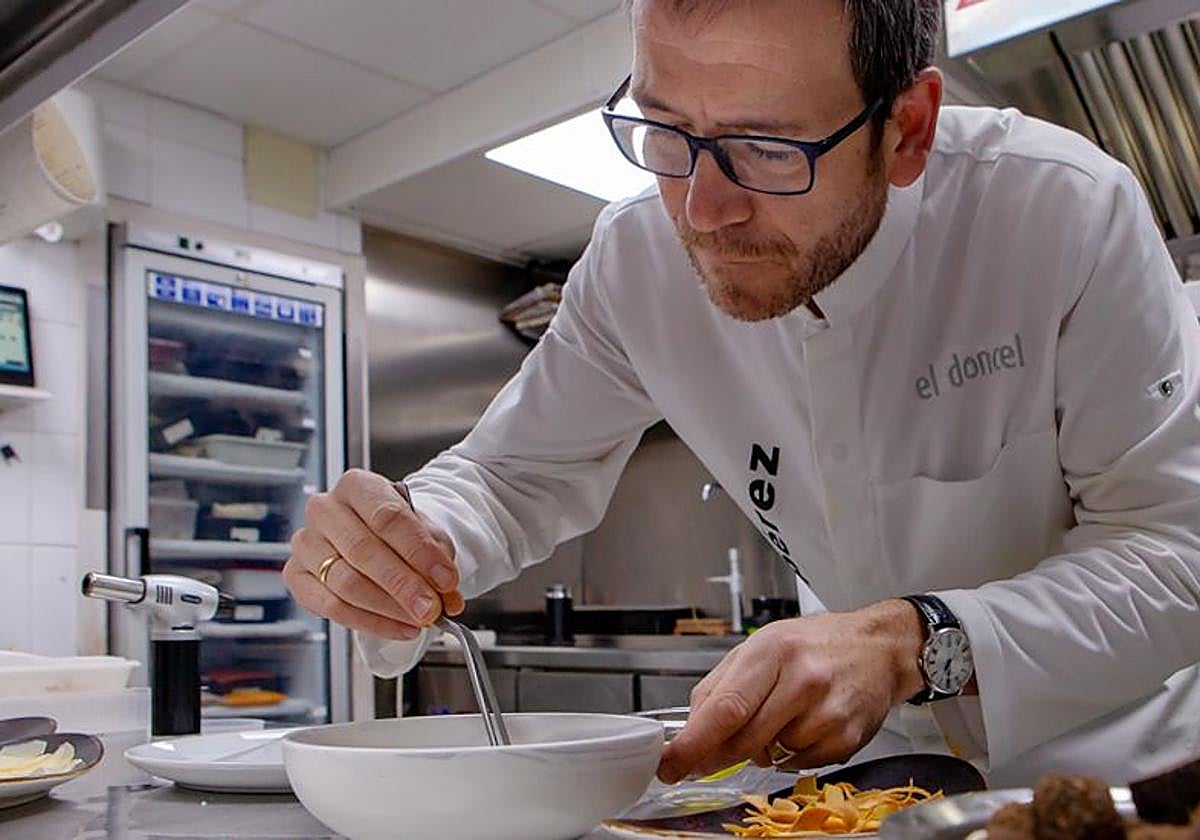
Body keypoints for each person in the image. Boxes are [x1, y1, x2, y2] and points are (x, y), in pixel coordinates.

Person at [283, 0, 1200, 787]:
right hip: (864, 786)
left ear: (908, 129)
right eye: (664, 130)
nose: (701, 211)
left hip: (1114, 776)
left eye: (765, 147)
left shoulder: (1061, 213)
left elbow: (1176, 554)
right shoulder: (634, 264)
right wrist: (408, 539)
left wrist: (911, 643)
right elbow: (508, 476)